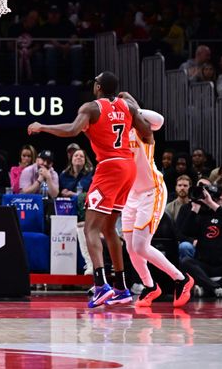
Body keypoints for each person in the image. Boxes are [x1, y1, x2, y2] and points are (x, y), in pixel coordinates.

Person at [28, 71, 152, 308]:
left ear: (97, 87)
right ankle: (121, 287)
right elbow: (147, 134)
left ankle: (101, 284)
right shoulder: (127, 107)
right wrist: (135, 107)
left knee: (90, 229)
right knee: (108, 228)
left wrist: (42, 126)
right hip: (128, 168)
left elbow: (72, 131)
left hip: (109, 168)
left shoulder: (92, 108)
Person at [117, 99, 194, 307]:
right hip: (131, 195)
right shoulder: (117, 131)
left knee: (141, 246)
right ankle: (150, 287)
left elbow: (159, 120)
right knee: (131, 248)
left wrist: (131, 107)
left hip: (152, 191)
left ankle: (182, 279)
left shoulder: (142, 126)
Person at [179, 185, 222, 297]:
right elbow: (185, 231)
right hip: (205, 266)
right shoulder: (203, 216)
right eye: (218, 196)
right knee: (185, 261)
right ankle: (217, 288)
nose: (220, 198)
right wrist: (194, 209)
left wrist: (212, 204)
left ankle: (208, 287)